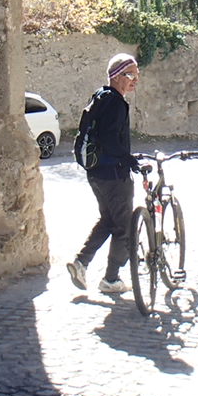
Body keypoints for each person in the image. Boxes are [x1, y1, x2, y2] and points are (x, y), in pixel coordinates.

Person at [67, 53, 140, 295]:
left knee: (108, 220)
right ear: (117, 76)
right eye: (130, 75)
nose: (135, 80)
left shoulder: (100, 97)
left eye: (137, 76)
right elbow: (110, 138)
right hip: (113, 175)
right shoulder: (116, 103)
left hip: (96, 173)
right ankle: (111, 279)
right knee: (124, 227)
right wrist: (129, 159)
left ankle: (81, 263)